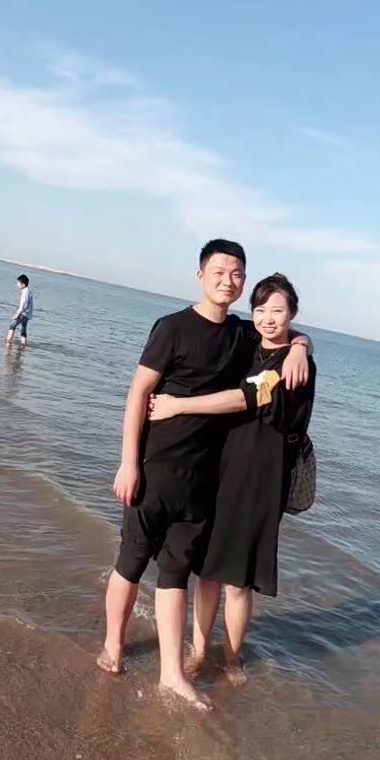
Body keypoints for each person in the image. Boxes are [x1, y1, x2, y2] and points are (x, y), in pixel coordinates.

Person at [98, 240, 311, 710]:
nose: (227, 281)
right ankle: (113, 645)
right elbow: (138, 393)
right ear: (201, 275)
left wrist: (301, 345)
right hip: (155, 466)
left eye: (236, 274)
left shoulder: (241, 334)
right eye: (219, 272)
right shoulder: (172, 327)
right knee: (132, 560)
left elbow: (279, 332)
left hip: (203, 477)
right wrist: (128, 462)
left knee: (176, 572)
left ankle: (172, 674)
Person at [148, 273, 316, 685]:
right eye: (260, 309)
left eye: (278, 310)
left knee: (238, 581)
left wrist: (176, 406)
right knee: (206, 570)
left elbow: (244, 399)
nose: (268, 318)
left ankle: (231, 658)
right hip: (218, 467)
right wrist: (302, 340)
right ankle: (199, 649)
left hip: (260, 478)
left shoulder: (295, 366)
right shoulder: (246, 343)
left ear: (292, 313)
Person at [6, 275, 34, 348]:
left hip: (23, 314)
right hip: (27, 314)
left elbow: (23, 305)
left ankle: (8, 342)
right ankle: (23, 345)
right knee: (23, 330)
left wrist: (17, 314)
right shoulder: (28, 291)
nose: (17, 285)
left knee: (12, 325)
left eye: (18, 283)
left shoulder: (25, 292)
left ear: (23, 284)